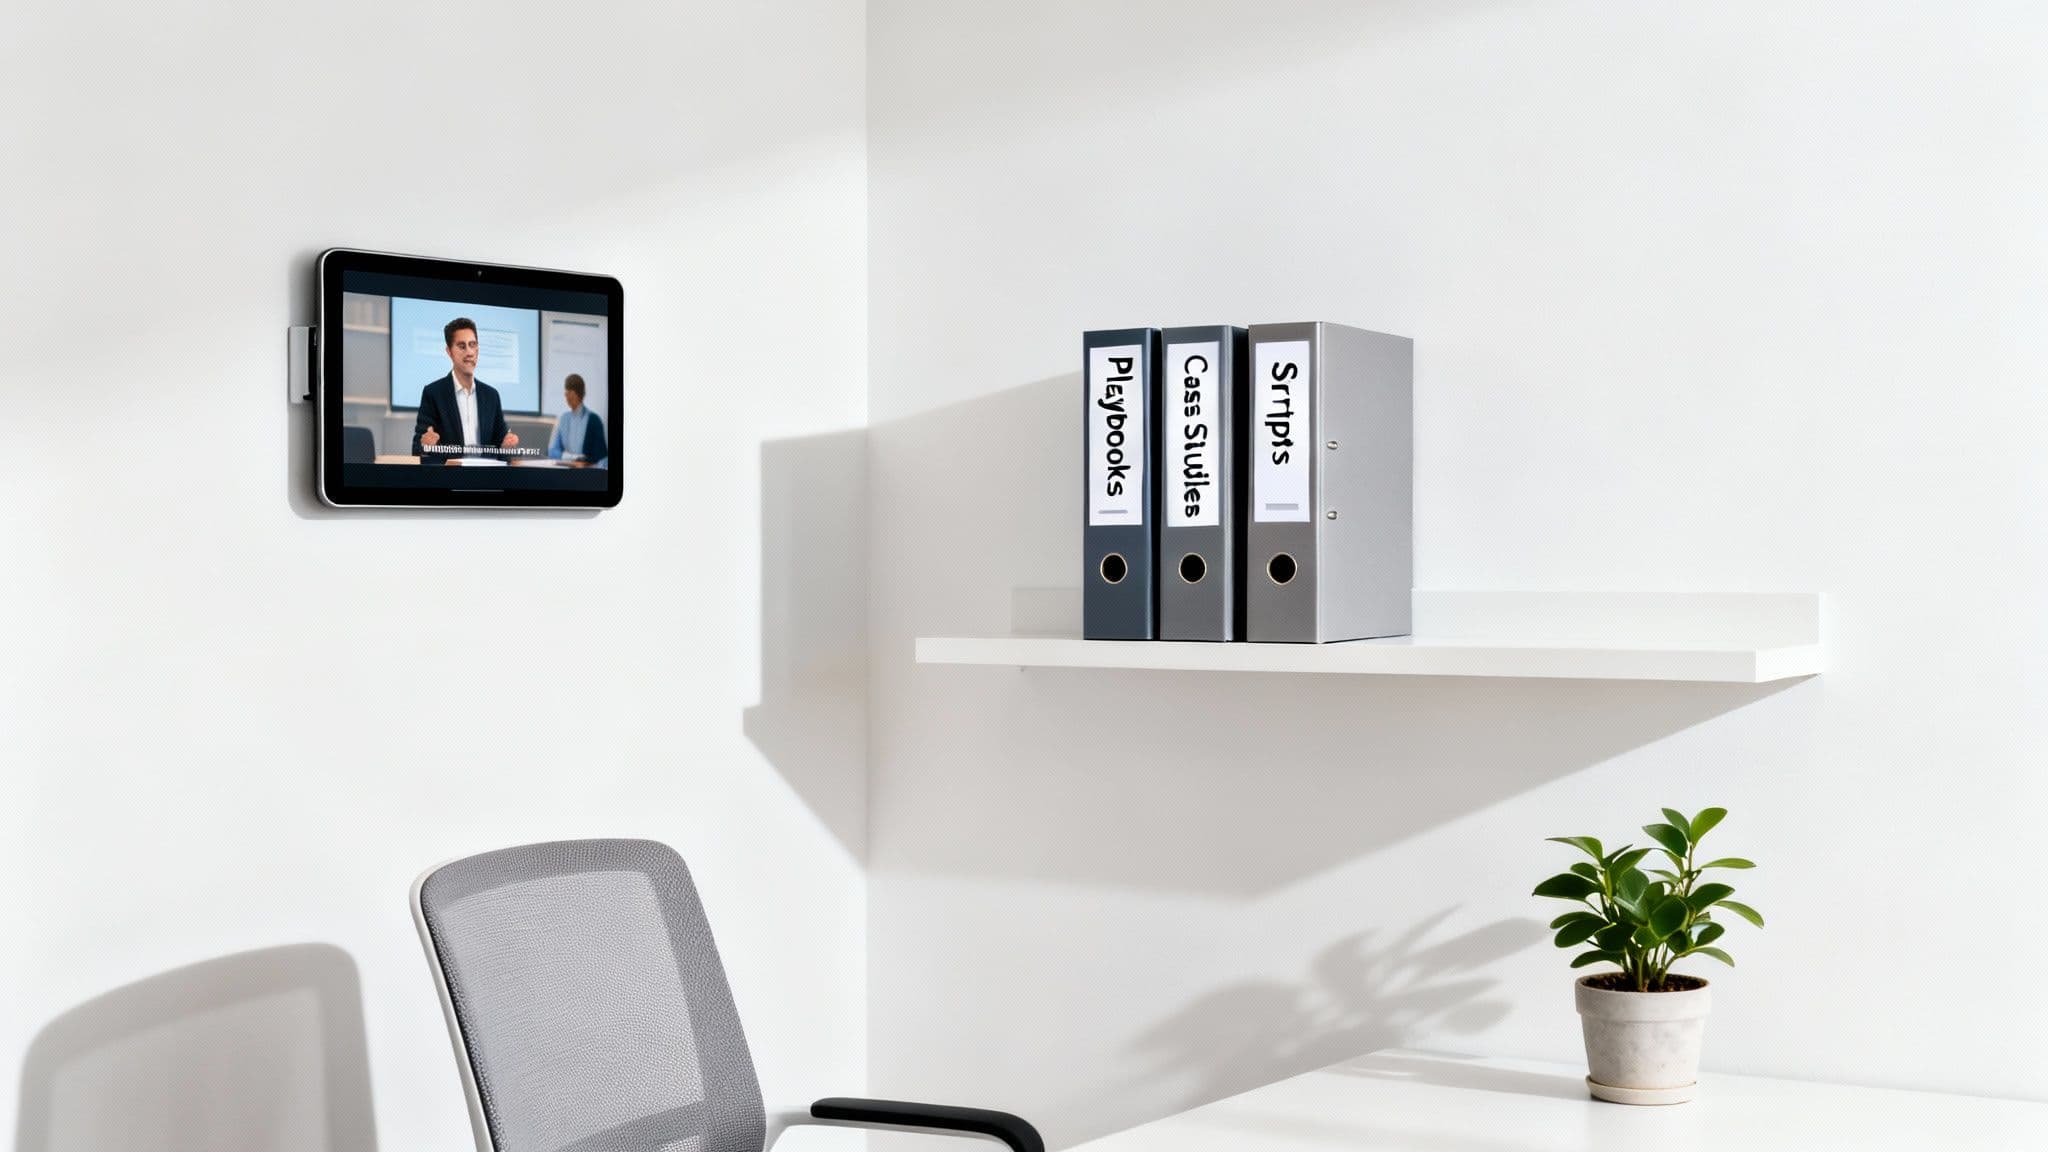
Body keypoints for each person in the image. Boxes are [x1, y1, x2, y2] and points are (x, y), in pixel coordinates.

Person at [412, 318, 520, 463]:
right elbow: (417, 448)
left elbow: (501, 450)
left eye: (472, 345)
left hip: (486, 481)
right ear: (449, 351)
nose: (469, 352)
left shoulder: (491, 396)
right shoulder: (433, 393)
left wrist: (507, 446)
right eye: (462, 346)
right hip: (449, 480)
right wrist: (425, 445)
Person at [547, 374, 608, 467]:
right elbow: (552, 451)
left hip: (587, 473)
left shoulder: (594, 421)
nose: (566, 396)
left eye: (568, 392)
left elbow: (602, 458)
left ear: (576, 394)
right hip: (568, 469)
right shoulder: (564, 419)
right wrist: (572, 457)